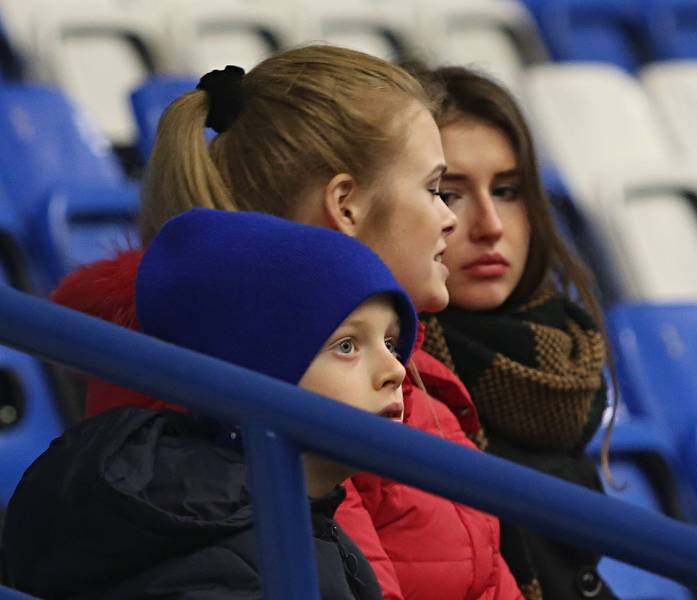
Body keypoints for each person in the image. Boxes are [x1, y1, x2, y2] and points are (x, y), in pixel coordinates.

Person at [49, 46, 524, 600]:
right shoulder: (285, 391)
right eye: (434, 190)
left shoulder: (392, 373)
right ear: (346, 206)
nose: (451, 219)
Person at [3, 207, 424, 599]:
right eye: (347, 345)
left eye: (390, 341)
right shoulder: (233, 567)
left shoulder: (296, 524)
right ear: (255, 374)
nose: (396, 370)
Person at [410, 65, 619, 600]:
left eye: (506, 190)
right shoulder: (394, 380)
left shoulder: (559, 359)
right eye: (449, 194)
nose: (490, 225)